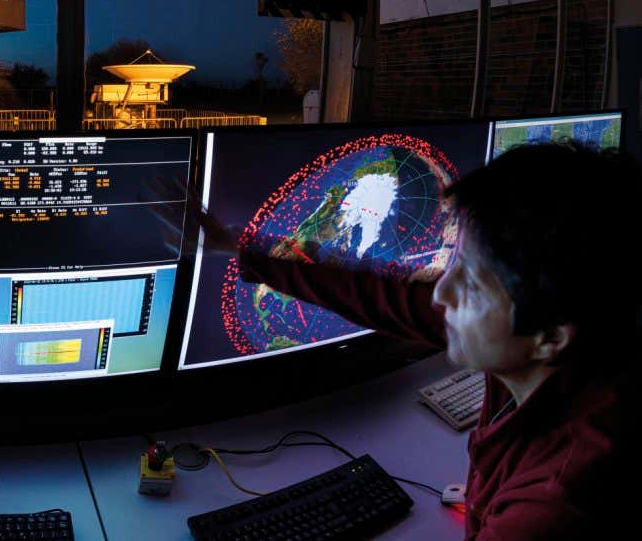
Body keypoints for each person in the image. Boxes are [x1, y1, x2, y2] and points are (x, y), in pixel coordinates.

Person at [198, 141, 638, 539]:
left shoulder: (555, 504)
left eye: (472, 283)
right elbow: (382, 295)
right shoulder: (564, 352)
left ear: (551, 337)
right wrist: (240, 247)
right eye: (453, 264)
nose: (442, 293)